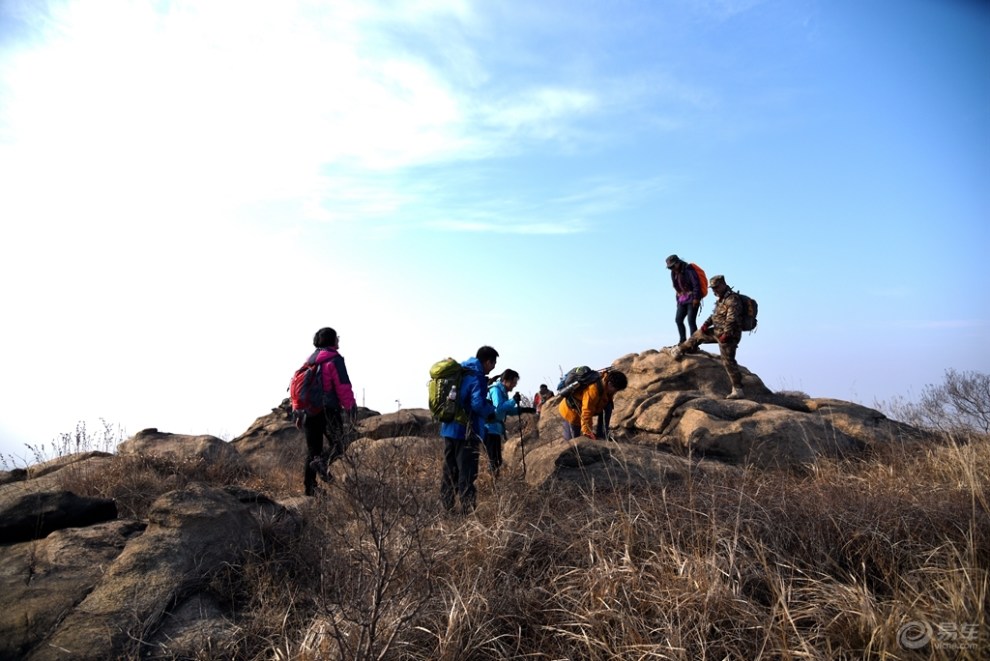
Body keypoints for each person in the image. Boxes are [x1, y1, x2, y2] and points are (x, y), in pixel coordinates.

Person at [294, 327, 357, 496]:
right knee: (340, 444)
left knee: (313, 451)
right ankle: (322, 463)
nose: (339, 340)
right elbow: (343, 385)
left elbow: (299, 387)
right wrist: (350, 407)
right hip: (328, 410)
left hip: (308, 411)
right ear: (332, 340)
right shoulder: (334, 360)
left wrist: (298, 411)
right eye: (337, 337)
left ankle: (310, 488)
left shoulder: (310, 360)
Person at [440, 345, 498, 513]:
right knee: (467, 471)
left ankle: (447, 509)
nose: (493, 368)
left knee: (450, 471)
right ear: (487, 362)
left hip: (449, 429)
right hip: (467, 432)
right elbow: (477, 404)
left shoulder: (462, 371)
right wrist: (490, 410)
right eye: (493, 364)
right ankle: (468, 511)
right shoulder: (477, 377)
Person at [669, 274, 746, 399]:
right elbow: (715, 315)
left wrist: (726, 334)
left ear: (723, 285)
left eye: (716, 287)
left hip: (729, 335)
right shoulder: (721, 299)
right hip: (717, 331)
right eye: (713, 288)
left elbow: (732, 319)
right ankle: (680, 350)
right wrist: (706, 324)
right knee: (697, 335)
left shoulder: (732, 299)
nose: (714, 290)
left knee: (728, 361)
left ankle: (738, 389)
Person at [484, 369, 536, 477]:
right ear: (506, 380)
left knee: (497, 460)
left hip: (495, 429)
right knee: (494, 460)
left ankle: (493, 482)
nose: (514, 386)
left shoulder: (502, 391)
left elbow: (506, 411)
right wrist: (513, 401)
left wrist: (523, 410)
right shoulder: (496, 390)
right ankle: (490, 482)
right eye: (513, 383)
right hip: (489, 429)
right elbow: (499, 409)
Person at [558, 369, 628, 441]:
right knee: (572, 443)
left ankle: (602, 435)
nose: (616, 392)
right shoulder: (594, 389)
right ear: (609, 383)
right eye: (616, 389)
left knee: (608, 406)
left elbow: (606, 403)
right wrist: (587, 432)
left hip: (588, 408)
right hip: (571, 411)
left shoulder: (605, 384)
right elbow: (587, 411)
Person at [666, 254, 703, 344]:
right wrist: (678, 301)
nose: (672, 269)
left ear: (678, 263)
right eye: (670, 268)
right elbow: (676, 286)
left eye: (673, 266)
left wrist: (696, 298)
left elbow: (696, 284)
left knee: (691, 320)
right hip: (682, 299)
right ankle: (682, 341)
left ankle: (694, 342)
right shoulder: (673, 272)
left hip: (693, 298)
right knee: (678, 319)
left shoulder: (689, 269)